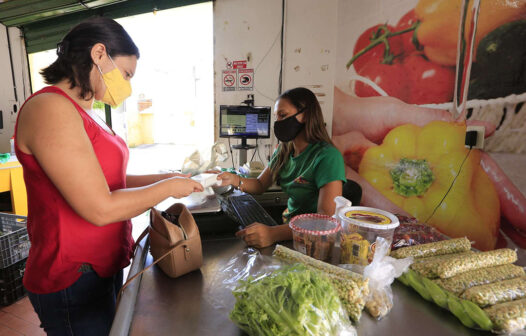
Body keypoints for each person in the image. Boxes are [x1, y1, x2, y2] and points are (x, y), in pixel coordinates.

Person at [14, 17, 203, 335]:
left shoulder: (87, 112)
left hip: (104, 263)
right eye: (126, 74)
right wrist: (168, 187)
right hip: (72, 274)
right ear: (99, 54)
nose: (127, 85)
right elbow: (100, 207)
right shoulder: (50, 109)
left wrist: (171, 177)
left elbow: (113, 180)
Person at [217, 87, 346, 249]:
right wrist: (234, 179)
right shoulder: (284, 150)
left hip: (310, 240)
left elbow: (324, 220)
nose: (278, 122)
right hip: (287, 228)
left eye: (283, 115)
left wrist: (273, 234)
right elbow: (259, 185)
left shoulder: (328, 157)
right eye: (276, 117)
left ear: (305, 115)